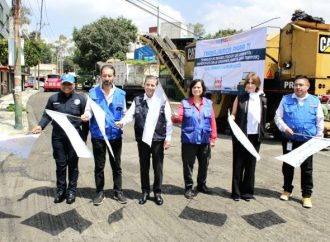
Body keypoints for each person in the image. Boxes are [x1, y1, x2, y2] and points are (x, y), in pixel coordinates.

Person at [31, 74, 89, 204]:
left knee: (73, 165)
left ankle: (72, 191)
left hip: (75, 137)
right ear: (61, 84)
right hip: (58, 137)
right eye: (64, 84)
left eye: (69, 84)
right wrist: (40, 125)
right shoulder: (53, 99)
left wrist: (84, 139)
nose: (67, 86)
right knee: (60, 165)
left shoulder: (81, 99)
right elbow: (47, 115)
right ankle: (61, 190)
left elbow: (85, 121)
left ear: (73, 85)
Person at [116, 75, 173, 206]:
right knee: (144, 166)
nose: (150, 87)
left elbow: (169, 121)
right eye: (148, 84)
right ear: (144, 85)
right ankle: (145, 191)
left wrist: (168, 138)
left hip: (158, 139)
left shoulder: (162, 100)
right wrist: (121, 123)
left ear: (156, 86)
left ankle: (157, 192)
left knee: (158, 167)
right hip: (143, 139)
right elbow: (130, 115)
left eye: (153, 85)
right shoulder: (137, 100)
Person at [274, 75, 324, 208]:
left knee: (307, 169)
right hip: (290, 140)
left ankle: (306, 196)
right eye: (296, 85)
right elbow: (278, 117)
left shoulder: (315, 101)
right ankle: (287, 190)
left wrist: (318, 139)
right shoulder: (286, 99)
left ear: (307, 86)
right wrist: (285, 128)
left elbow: (319, 120)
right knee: (288, 166)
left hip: (307, 141)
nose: (298, 87)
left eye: (301, 85)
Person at [81, 64, 127, 205]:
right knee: (99, 167)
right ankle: (100, 192)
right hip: (99, 137)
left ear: (114, 77)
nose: (107, 78)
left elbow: (124, 114)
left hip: (115, 136)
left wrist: (123, 122)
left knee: (116, 166)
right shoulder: (93, 93)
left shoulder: (121, 94)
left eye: (109, 75)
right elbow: (88, 110)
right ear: (100, 76)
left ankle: (118, 191)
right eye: (104, 75)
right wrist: (86, 116)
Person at [172, 79, 217, 199]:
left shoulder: (208, 103)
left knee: (204, 164)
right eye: (194, 88)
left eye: (199, 87)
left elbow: (212, 121)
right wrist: (175, 117)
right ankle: (188, 187)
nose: (196, 89)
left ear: (203, 89)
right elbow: (178, 119)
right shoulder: (184, 103)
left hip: (204, 140)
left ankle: (202, 185)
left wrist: (213, 138)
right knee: (188, 165)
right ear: (191, 89)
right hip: (189, 140)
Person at [230, 72, 267, 201]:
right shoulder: (240, 98)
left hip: (255, 136)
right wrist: (231, 117)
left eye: (253, 83)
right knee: (238, 164)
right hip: (241, 136)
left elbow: (264, 118)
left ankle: (247, 192)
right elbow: (234, 113)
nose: (250, 85)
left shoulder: (262, 99)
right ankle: (236, 192)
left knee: (251, 165)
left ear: (257, 84)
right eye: (248, 82)